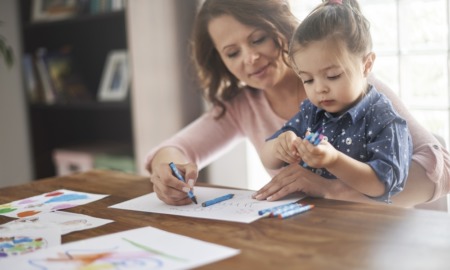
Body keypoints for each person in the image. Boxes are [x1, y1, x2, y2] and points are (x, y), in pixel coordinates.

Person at [146, 0, 450, 207]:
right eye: (232, 52)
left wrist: (330, 189)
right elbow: (176, 150)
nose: (250, 59)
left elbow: (444, 169)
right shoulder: (245, 105)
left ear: (281, 26)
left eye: (258, 39)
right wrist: (167, 172)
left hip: (395, 235)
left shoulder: (356, 93)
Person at [260, 0, 412, 204]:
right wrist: (279, 146)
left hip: (364, 223)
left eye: (332, 76)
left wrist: (334, 160)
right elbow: (267, 156)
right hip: (314, 217)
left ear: (366, 65)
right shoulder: (313, 112)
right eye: (308, 79)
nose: (319, 88)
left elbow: (382, 184)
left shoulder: (383, 119)